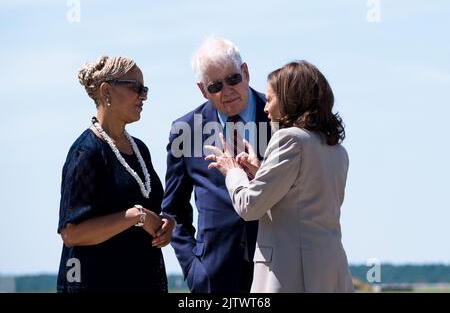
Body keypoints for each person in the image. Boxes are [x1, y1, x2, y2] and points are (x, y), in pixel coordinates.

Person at [206, 60, 354, 292]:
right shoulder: (336, 150)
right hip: (331, 272)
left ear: (291, 99)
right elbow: (301, 201)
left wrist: (232, 171)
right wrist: (260, 173)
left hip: (290, 275)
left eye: (271, 99)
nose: (266, 108)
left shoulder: (290, 139)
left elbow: (249, 207)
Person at [161, 37, 272, 293]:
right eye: (216, 86)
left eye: (233, 79)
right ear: (203, 89)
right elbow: (174, 209)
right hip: (213, 276)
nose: (227, 90)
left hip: (275, 269)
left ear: (245, 72)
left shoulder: (279, 116)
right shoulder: (186, 130)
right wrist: (193, 269)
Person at [57, 56, 175, 292]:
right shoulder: (86, 152)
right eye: (136, 88)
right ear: (106, 91)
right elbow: (71, 233)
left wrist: (166, 224)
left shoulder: (139, 149)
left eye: (145, 89)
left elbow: (151, 208)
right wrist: (136, 216)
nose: (143, 96)